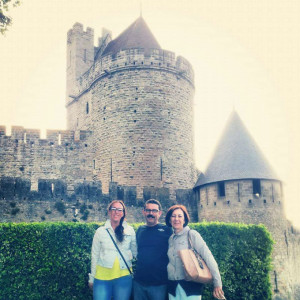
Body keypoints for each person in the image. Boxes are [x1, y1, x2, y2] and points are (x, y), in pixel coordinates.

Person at [165, 205, 225, 300]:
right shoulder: (170, 239)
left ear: (184, 220)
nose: (176, 219)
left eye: (180, 216)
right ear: (169, 220)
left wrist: (217, 282)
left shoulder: (192, 234)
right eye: (173, 216)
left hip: (190, 288)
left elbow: (208, 257)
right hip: (173, 288)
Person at [88, 200, 137, 300]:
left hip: (124, 276)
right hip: (102, 277)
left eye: (119, 210)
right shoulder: (100, 231)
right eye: (113, 209)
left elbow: (136, 252)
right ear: (109, 211)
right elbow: (95, 255)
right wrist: (92, 278)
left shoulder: (130, 230)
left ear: (123, 213)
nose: (116, 212)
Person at [133, 199, 173, 300]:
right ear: (143, 212)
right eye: (148, 210)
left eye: (154, 211)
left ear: (159, 213)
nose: (151, 213)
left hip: (159, 284)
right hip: (139, 282)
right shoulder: (140, 230)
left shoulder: (167, 230)